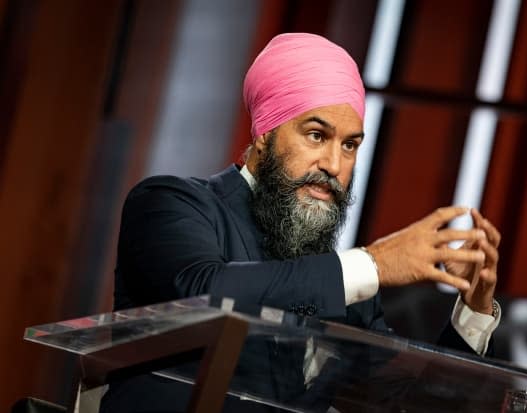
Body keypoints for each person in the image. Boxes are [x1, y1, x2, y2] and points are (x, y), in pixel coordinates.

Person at [100, 32, 501, 413]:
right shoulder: (172, 204)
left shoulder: (347, 292)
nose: (334, 164)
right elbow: (206, 290)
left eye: (349, 145)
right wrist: (374, 264)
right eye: (315, 135)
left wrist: (473, 310)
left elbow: (414, 405)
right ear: (264, 132)